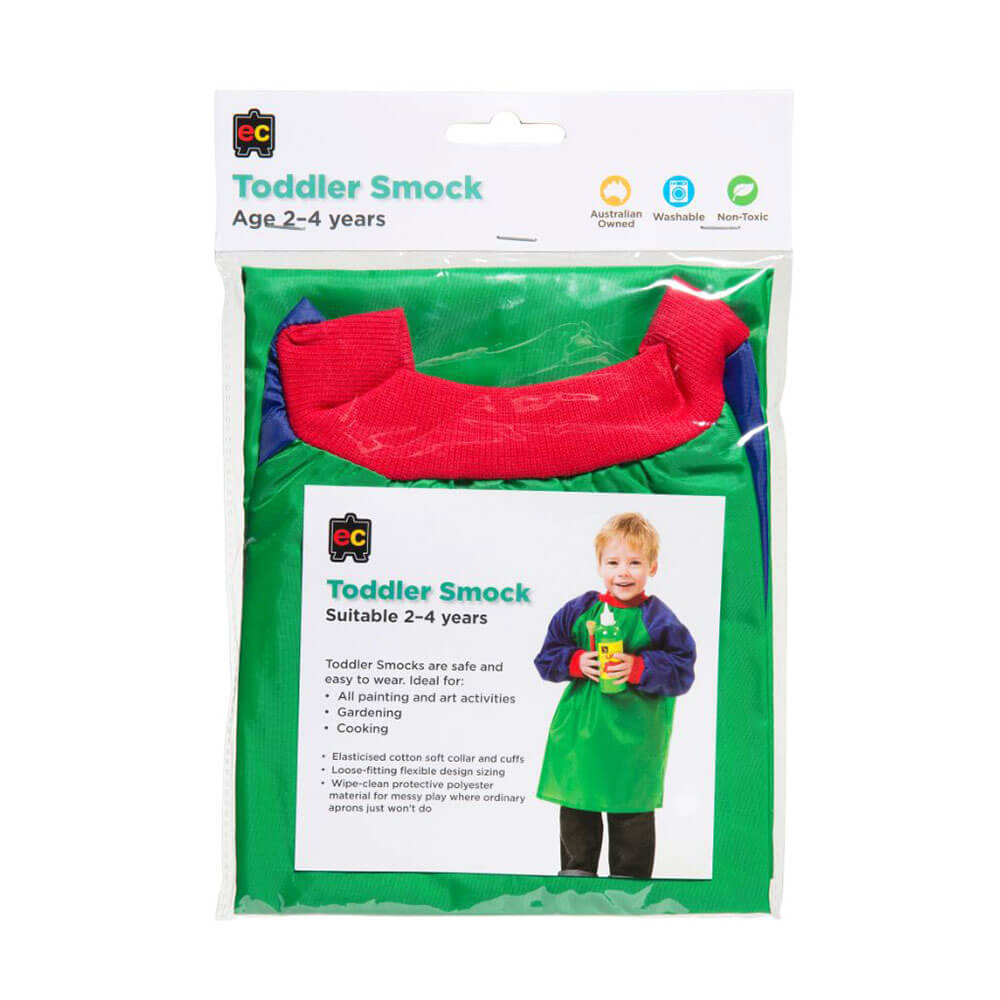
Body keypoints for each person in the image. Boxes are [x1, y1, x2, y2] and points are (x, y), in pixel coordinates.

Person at [535, 512, 696, 878]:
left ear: (652, 567)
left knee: (631, 812)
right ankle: (576, 880)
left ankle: (629, 884)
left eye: (634, 563)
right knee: (578, 805)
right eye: (613, 563)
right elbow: (546, 659)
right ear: (599, 566)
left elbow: (682, 671)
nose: (623, 572)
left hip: (635, 739)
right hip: (582, 734)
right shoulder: (580, 610)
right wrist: (576, 661)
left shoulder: (658, 618)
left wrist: (639, 668)